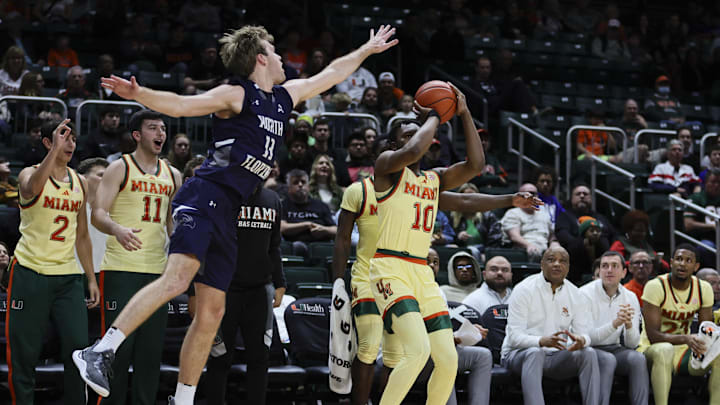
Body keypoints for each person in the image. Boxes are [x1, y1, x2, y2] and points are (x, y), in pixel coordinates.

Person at [73, 24, 399, 405]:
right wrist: (138, 93)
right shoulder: (235, 94)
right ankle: (100, 350)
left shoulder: (283, 96)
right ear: (260, 58)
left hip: (229, 212)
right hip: (204, 197)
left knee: (211, 314)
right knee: (177, 280)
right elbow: (180, 105)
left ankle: (182, 400)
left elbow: (331, 75)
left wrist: (366, 49)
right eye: (274, 51)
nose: (281, 58)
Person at [369, 79, 484, 405]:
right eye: (407, 133)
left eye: (416, 132)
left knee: (448, 360)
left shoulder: (432, 180)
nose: (415, 138)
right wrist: (436, 113)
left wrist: (462, 113)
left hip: (422, 271)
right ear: (392, 144)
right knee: (417, 352)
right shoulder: (386, 167)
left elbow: (476, 166)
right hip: (389, 267)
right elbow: (414, 150)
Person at [90, 110, 181, 405]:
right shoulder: (119, 167)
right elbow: (98, 214)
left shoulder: (173, 175)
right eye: (153, 128)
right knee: (116, 352)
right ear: (137, 135)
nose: (161, 133)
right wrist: (117, 229)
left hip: (157, 274)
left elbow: (171, 223)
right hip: (120, 269)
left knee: (150, 354)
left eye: (163, 128)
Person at [7, 119, 100, 404]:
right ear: (48, 143)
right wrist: (53, 153)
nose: (69, 144)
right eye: (62, 138)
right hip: (29, 272)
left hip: (68, 277)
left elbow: (82, 235)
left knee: (77, 350)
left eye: (72, 139)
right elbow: (33, 189)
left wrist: (91, 278)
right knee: (24, 354)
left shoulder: (80, 182)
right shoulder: (28, 173)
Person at [204, 184, 286, 405]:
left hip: (259, 291)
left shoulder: (272, 199)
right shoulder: (223, 196)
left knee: (259, 359)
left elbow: (275, 246)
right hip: (225, 290)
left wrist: (280, 283)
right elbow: (209, 243)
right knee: (219, 356)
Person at [501, 246, 601, 405]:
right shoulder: (524, 289)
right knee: (535, 353)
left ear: (568, 267)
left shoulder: (576, 294)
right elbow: (514, 338)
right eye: (551, 260)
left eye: (563, 261)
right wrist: (541, 341)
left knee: (588, 353)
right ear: (541, 264)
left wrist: (581, 341)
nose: (557, 264)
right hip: (518, 355)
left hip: (556, 357)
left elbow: (585, 334)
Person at [638, 244, 719, 405]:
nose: (682, 264)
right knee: (664, 349)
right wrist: (686, 339)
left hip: (683, 352)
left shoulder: (704, 288)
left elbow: (705, 331)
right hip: (650, 349)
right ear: (672, 262)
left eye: (688, 260)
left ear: (696, 267)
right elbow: (654, 337)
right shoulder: (655, 286)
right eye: (679, 259)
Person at [579, 251, 648, 405]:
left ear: (624, 272)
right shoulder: (584, 294)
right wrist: (615, 324)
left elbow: (632, 344)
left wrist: (629, 326)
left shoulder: (630, 297)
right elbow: (587, 337)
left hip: (615, 348)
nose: (609, 270)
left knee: (638, 358)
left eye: (614, 266)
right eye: (605, 266)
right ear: (600, 271)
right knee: (608, 360)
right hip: (588, 350)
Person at [556, 184, 617, 281]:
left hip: (604, 260)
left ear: (591, 199)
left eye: (585, 194)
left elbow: (614, 236)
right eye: (578, 194)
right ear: (571, 198)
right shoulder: (565, 217)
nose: (582, 196)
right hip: (576, 262)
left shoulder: (601, 217)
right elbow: (563, 237)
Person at [281, 169, 337, 256]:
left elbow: (336, 230)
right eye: (295, 182)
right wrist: (307, 225)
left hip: (321, 246)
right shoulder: (283, 205)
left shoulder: (321, 205)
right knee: (297, 247)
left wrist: (324, 230)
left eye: (303, 182)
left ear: (308, 187)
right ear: (289, 188)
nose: (300, 185)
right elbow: (282, 228)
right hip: (295, 246)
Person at [501, 183, 555, 261]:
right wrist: (528, 245)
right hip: (524, 249)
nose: (531, 196)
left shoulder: (544, 214)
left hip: (544, 249)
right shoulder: (513, 213)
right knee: (534, 252)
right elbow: (514, 236)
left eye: (534, 194)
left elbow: (551, 236)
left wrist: (554, 243)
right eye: (527, 193)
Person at [76, 157, 110, 276]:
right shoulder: (71, 207)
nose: (106, 180)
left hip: (105, 273)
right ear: (83, 178)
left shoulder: (117, 209)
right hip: (75, 272)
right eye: (101, 175)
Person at [449, 182, 503, 256]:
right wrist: (458, 238)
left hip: (483, 252)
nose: (470, 200)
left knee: (473, 250)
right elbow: (449, 238)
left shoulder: (488, 216)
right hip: (461, 252)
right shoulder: (453, 216)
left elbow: (495, 239)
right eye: (466, 197)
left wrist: (487, 254)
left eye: (473, 197)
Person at [684, 169, 720, 266]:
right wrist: (712, 226)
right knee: (705, 248)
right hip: (705, 237)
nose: (716, 185)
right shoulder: (696, 198)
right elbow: (688, 224)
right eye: (713, 182)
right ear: (705, 183)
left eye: (719, 182)